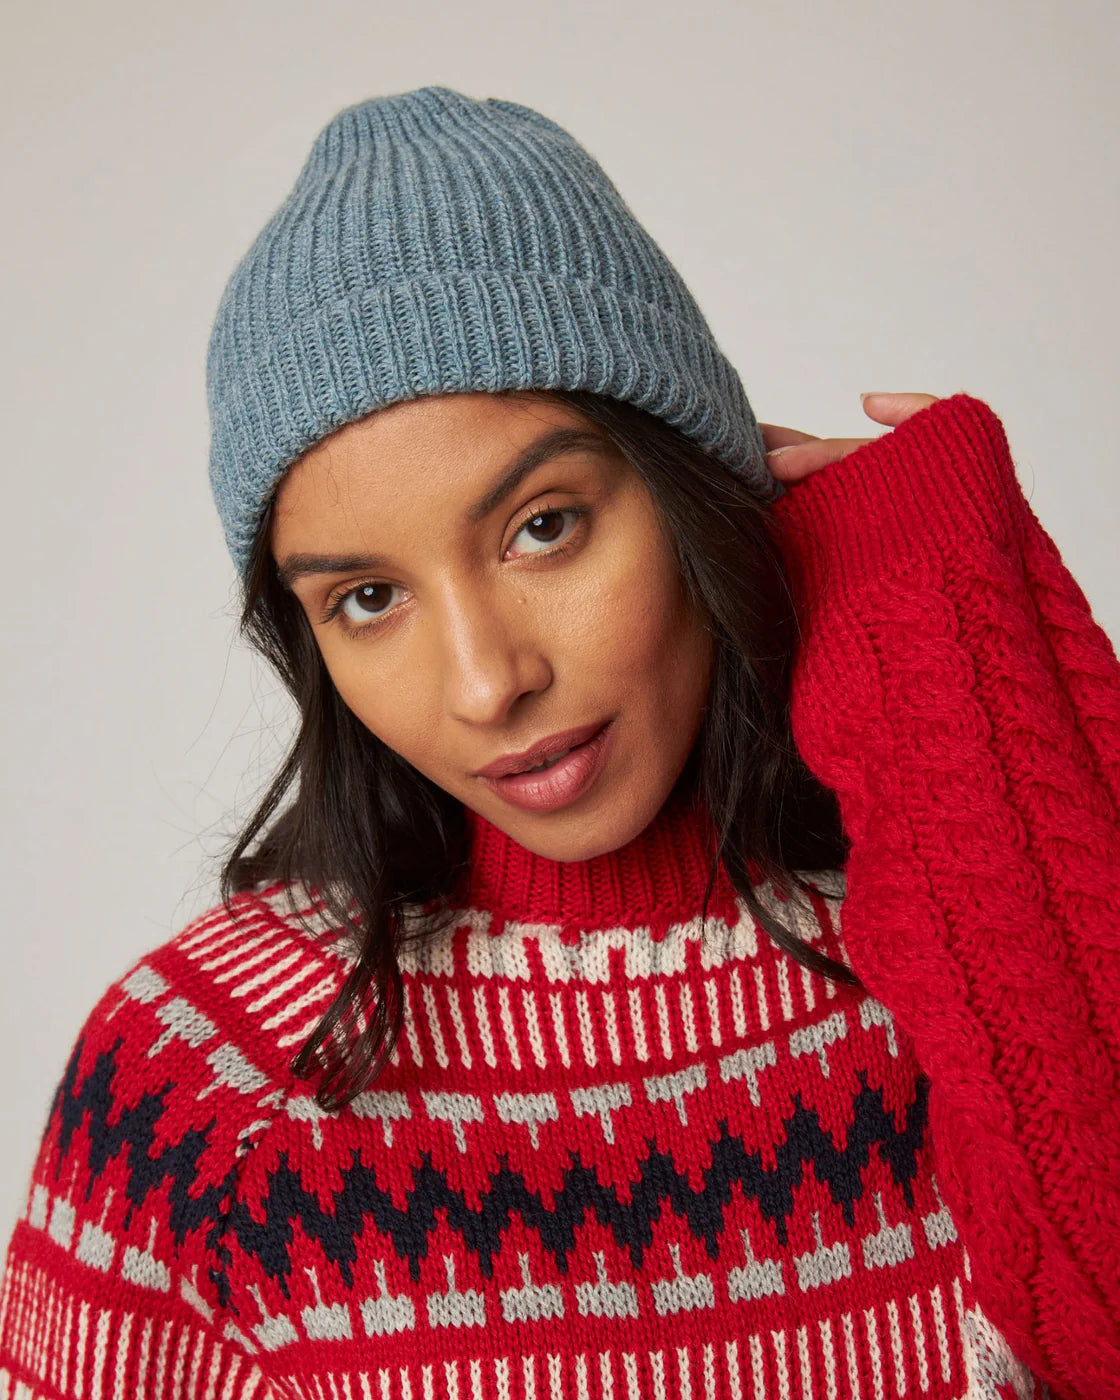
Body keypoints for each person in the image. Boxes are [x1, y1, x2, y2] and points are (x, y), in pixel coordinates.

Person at [0, 84, 1116, 1400]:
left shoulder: (973, 958)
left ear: (691, 487)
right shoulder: (209, 1081)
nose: (485, 684)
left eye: (544, 526)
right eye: (368, 599)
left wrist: (951, 644)